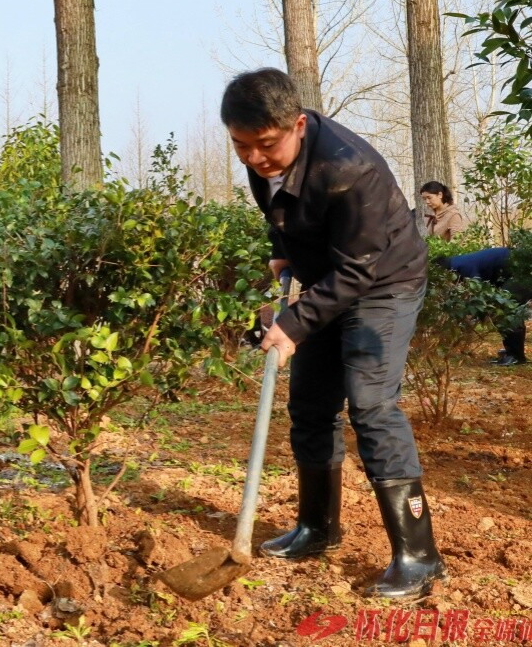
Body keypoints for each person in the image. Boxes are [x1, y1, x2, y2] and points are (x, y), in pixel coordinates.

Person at [220, 68, 446, 599]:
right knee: (311, 402)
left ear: (297, 125)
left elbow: (359, 271)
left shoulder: (350, 167)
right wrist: (282, 247)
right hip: (328, 278)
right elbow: (281, 209)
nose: (254, 159)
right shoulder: (262, 156)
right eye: (240, 146)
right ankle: (317, 528)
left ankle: (419, 555)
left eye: (266, 145)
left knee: (371, 403)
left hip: (383, 281)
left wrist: (292, 323)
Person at [435, 247, 529, 366]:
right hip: (513, 270)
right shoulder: (457, 263)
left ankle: (515, 356)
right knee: (504, 307)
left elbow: (478, 291)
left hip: (522, 272)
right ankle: (513, 351)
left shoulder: (462, 266)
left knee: (506, 309)